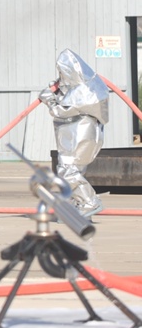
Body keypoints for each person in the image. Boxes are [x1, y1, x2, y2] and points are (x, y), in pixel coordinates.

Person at [38, 49, 109, 218]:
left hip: (80, 135)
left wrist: (49, 99)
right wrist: (58, 91)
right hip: (81, 134)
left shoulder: (83, 90)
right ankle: (79, 206)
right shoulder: (89, 85)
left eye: (62, 72)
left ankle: (89, 202)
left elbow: (62, 110)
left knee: (67, 170)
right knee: (73, 170)